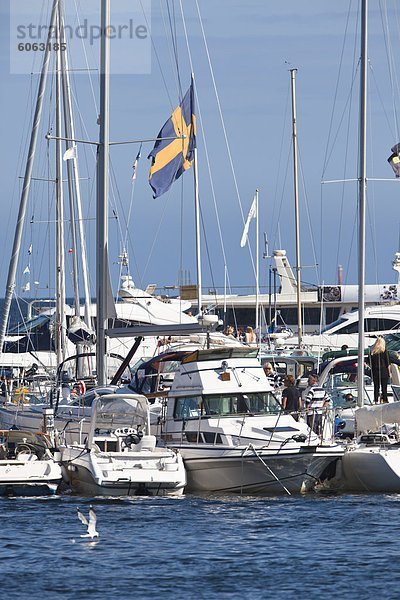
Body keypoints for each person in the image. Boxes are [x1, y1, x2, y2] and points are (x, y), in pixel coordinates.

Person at [369, 336, 391, 403]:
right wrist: (389, 373)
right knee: (384, 388)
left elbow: (369, 362)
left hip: (375, 372)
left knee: (376, 387)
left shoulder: (372, 352)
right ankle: (385, 400)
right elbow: (388, 363)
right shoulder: (384, 351)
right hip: (384, 371)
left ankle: (375, 400)